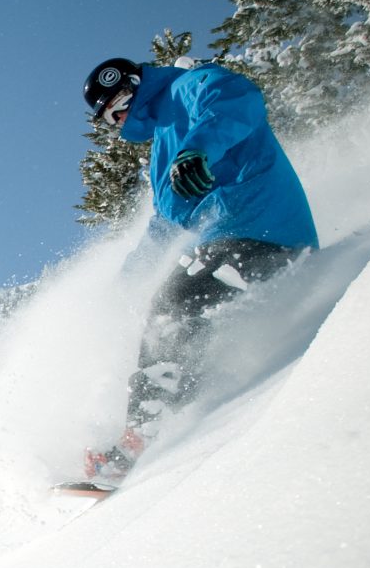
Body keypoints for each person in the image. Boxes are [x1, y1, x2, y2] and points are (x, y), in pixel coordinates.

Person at [79, 56, 319, 481]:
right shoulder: (161, 148)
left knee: (175, 305)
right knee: (179, 317)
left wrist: (197, 149)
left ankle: (139, 438)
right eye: (109, 119)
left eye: (118, 108)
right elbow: (164, 223)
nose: (118, 123)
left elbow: (236, 99)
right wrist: (127, 278)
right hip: (230, 240)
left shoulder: (189, 87)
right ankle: (184, 423)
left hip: (265, 227)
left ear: (134, 86)